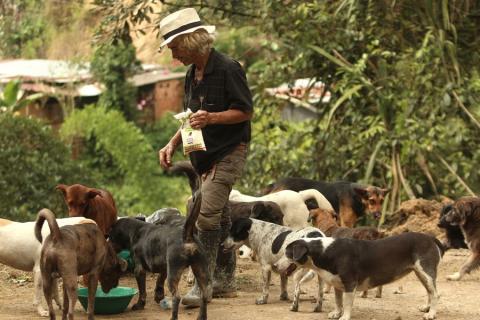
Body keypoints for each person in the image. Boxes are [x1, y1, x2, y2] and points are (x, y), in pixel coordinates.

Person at [157, 8, 253, 307]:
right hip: (202, 155)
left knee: (203, 213)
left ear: (191, 41)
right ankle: (224, 281)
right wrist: (172, 143)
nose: (174, 55)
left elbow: (245, 111)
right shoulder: (191, 74)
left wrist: (211, 118)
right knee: (219, 215)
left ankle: (204, 283)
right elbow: (189, 118)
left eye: (175, 47)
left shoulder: (227, 68)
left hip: (228, 152)